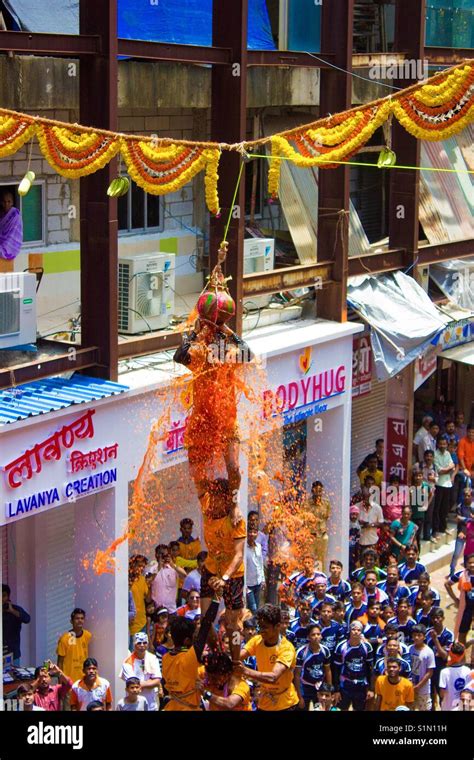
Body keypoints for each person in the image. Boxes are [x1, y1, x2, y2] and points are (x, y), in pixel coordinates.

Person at [198, 478, 246, 663]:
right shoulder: (206, 506)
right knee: (205, 619)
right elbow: (198, 482)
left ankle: (235, 662)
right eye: (213, 496)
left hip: (233, 575)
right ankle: (217, 653)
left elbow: (238, 555)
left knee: (233, 624)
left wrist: (224, 578)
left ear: (227, 499)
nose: (213, 501)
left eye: (218, 497)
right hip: (210, 569)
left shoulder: (235, 520)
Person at [161, 592, 221, 710]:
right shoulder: (190, 656)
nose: (195, 639)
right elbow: (206, 625)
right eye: (193, 637)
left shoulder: (165, 658)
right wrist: (216, 600)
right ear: (188, 641)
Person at [238, 604, 299, 712]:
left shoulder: (287, 648)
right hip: (265, 703)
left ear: (277, 626)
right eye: (260, 626)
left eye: (265, 627)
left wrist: (245, 670)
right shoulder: (257, 640)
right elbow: (238, 656)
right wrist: (234, 630)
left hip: (286, 704)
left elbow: (273, 677)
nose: (261, 630)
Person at [333, 620, 374, 711]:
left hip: (361, 685)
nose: (356, 632)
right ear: (349, 631)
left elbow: (370, 669)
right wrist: (336, 690)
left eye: (359, 630)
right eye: (353, 629)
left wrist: (371, 688)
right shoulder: (341, 647)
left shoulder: (367, 647)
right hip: (345, 684)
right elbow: (336, 669)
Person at [120, 632, 163, 711]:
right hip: (133, 706)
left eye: (145, 642)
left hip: (151, 705)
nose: (142, 645)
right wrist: (150, 681)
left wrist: (143, 684)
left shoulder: (153, 658)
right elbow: (133, 685)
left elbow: (157, 681)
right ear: (134, 644)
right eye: (139, 643)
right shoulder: (128, 662)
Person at [294, 623, 332, 710]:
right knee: (302, 707)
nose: (316, 637)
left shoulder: (325, 651)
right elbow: (297, 675)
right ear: (308, 637)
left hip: (319, 687)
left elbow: (328, 671)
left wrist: (329, 691)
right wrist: (299, 697)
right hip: (305, 687)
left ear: (321, 636)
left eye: (318, 634)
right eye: (313, 634)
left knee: (320, 709)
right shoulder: (301, 652)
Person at [426, 607, 454, 710]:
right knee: (430, 698)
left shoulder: (448, 634)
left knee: (442, 697)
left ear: (443, 618)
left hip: (441, 669)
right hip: (429, 669)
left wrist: (435, 640)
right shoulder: (427, 633)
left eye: (438, 618)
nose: (436, 620)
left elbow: (445, 656)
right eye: (433, 618)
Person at [56, 608, 92, 684]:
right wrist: (60, 681)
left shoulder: (87, 635)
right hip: (68, 682)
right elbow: (60, 662)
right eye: (77, 618)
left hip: (83, 681)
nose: (80, 620)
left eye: (82, 618)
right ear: (71, 621)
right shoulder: (65, 639)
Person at [151, 545, 187, 614]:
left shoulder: (173, 568)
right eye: (161, 554)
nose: (163, 556)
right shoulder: (152, 569)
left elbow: (184, 575)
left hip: (171, 610)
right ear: (156, 555)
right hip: (156, 610)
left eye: (166, 555)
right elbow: (149, 581)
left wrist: (172, 564)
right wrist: (159, 566)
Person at [2, 584, 30, 665]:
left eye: (4, 596)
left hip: (12, 654)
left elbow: (27, 619)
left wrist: (11, 611)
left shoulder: (15, 609)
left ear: (8, 597)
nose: (1, 599)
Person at [409, 624, 436, 711]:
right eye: (414, 635)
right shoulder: (410, 649)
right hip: (410, 686)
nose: (416, 637)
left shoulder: (428, 652)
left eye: (419, 635)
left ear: (424, 637)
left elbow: (430, 672)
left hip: (423, 689)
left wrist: (418, 686)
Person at [439, 643, 472, 711]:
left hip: (447, 707)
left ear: (450, 654)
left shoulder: (444, 672)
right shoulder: (467, 670)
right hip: (463, 707)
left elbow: (442, 694)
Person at [433, 435, 455, 537]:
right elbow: (440, 471)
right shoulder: (435, 454)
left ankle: (443, 528)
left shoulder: (447, 453)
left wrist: (447, 469)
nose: (443, 445)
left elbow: (453, 466)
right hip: (439, 484)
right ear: (438, 444)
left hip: (447, 484)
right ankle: (436, 530)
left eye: (444, 444)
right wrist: (448, 469)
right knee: (437, 508)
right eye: (441, 443)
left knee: (445, 508)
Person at [306, 480, 331, 568]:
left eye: (320, 491)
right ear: (312, 490)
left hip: (322, 535)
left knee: (321, 559)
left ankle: (321, 578)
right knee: (309, 558)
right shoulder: (307, 503)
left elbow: (327, 516)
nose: (318, 493)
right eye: (316, 490)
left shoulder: (326, 503)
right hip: (311, 535)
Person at [129, 555, 152, 647]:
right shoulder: (126, 579)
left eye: (143, 566)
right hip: (129, 624)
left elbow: (148, 599)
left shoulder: (142, 579)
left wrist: (150, 586)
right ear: (132, 565)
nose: (141, 568)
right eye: (139, 566)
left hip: (141, 622)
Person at [450, 488, 473, 576]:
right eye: (465, 495)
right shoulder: (459, 507)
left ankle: (468, 573)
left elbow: (463, 519)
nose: (466, 497)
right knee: (456, 554)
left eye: (468, 495)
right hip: (462, 533)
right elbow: (458, 520)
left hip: (472, 535)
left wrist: (465, 519)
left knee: (469, 556)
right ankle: (451, 572)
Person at [453, 553, 474, 644]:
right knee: (462, 634)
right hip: (466, 610)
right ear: (466, 564)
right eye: (470, 563)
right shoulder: (462, 575)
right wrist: (455, 599)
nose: (472, 565)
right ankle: (462, 655)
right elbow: (447, 584)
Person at [409, 467, 432, 547]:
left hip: (420, 514)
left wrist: (427, 504)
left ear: (422, 476)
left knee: (417, 535)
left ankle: (417, 554)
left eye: (420, 475)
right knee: (410, 534)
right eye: (416, 476)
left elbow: (431, 494)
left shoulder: (426, 486)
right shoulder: (410, 487)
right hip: (411, 514)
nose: (418, 478)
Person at [246, 526, 265, 613]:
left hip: (258, 582)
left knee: (256, 606)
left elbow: (260, 564)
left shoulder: (258, 547)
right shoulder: (244, 548)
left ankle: (253, 625)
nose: (252, 534)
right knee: (253, 608)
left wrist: (263, 580)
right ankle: (255, 626)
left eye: (254, 532)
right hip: (248, 584)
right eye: (250, 532)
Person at [0, 189, 23, 261]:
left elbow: (13, 234)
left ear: (12, 202)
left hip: (10, 245)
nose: (6, 204)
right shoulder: (1, 214)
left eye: (9, 201)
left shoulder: (15, 216)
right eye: (4, 202)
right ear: (1, 202)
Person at [348, 506, 361, 573]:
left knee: (354, 563)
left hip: (354, 547)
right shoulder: (347, 524)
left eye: (356, 514)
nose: (354, 516)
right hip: (347, 547)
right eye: (353, 514)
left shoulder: (357, 524)